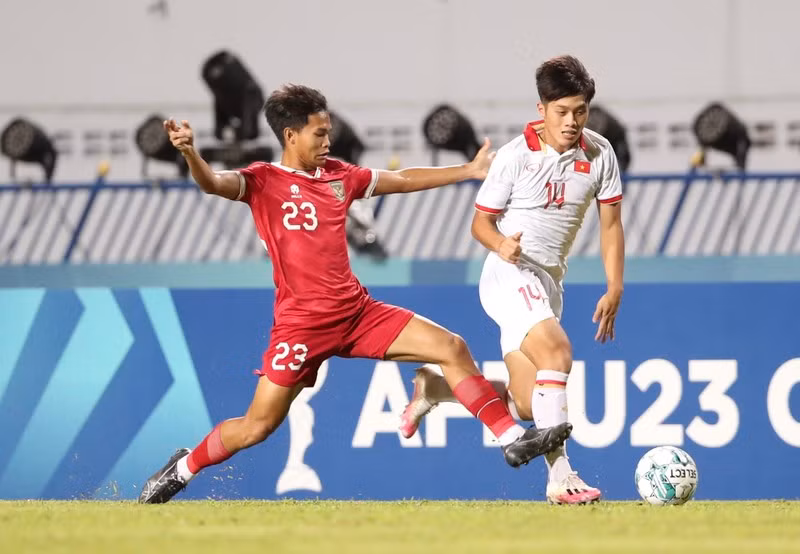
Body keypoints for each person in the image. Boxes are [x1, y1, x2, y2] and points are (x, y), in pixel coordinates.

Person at [138, 84, 572, 504]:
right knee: (257, 427)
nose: (328, 141)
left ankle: (512, 438)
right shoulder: (262, 181)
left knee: (450, 347)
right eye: (320, 133)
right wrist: (190, 152)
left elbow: (401, 178)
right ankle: (182, 468)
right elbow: (212, 182)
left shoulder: (339, 176)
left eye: (328, 132)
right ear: (291, 135)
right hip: (301, 326)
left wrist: (468, 171)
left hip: (357, 312)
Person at [398, 55, 625, 505]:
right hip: (509, 273)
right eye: (562, 111)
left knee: (526, 403)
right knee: (557, 353)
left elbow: (612, 225)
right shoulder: (513, 157)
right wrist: (501, 244)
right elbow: (480, 225)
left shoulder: (600, 153)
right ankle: (562, 479)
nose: (572, 121)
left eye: (580, 111)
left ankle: (437, 387)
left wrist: (614, 285)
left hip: (547, 285)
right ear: (542, 109)